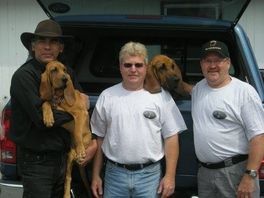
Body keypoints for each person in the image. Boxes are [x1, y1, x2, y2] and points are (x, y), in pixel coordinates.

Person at [9, 19, 97, 198]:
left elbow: (82, 105)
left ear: (61, 48)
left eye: (53, 42)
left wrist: (93, 142)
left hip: (65, 159)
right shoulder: (24, 76)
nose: (47, 47)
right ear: (33, 46)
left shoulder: (67, 73)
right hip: (37, 163)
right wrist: (74, 113)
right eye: (42, 41)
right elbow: (42, 120)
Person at [90, 41, 187, 198]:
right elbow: (100, 138)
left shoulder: (161, 97)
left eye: (138, 65)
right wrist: (96, 175)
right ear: (120, 67)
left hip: (149, 177)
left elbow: (171, 138)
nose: (133, 69)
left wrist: (170, 177)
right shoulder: (107, 96)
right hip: (114, 176)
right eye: (128, 65)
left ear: (146, 67)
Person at [191, 40, 264, 198]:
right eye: (208, 61)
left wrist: (250, 176)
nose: (212, 65)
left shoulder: (244, 92)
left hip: (235, 173)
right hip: (204, 174)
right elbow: (183, 88)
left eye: (218, 60)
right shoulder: (198, 89)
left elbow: (258, 137)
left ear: (228, 63)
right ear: (201, 64)